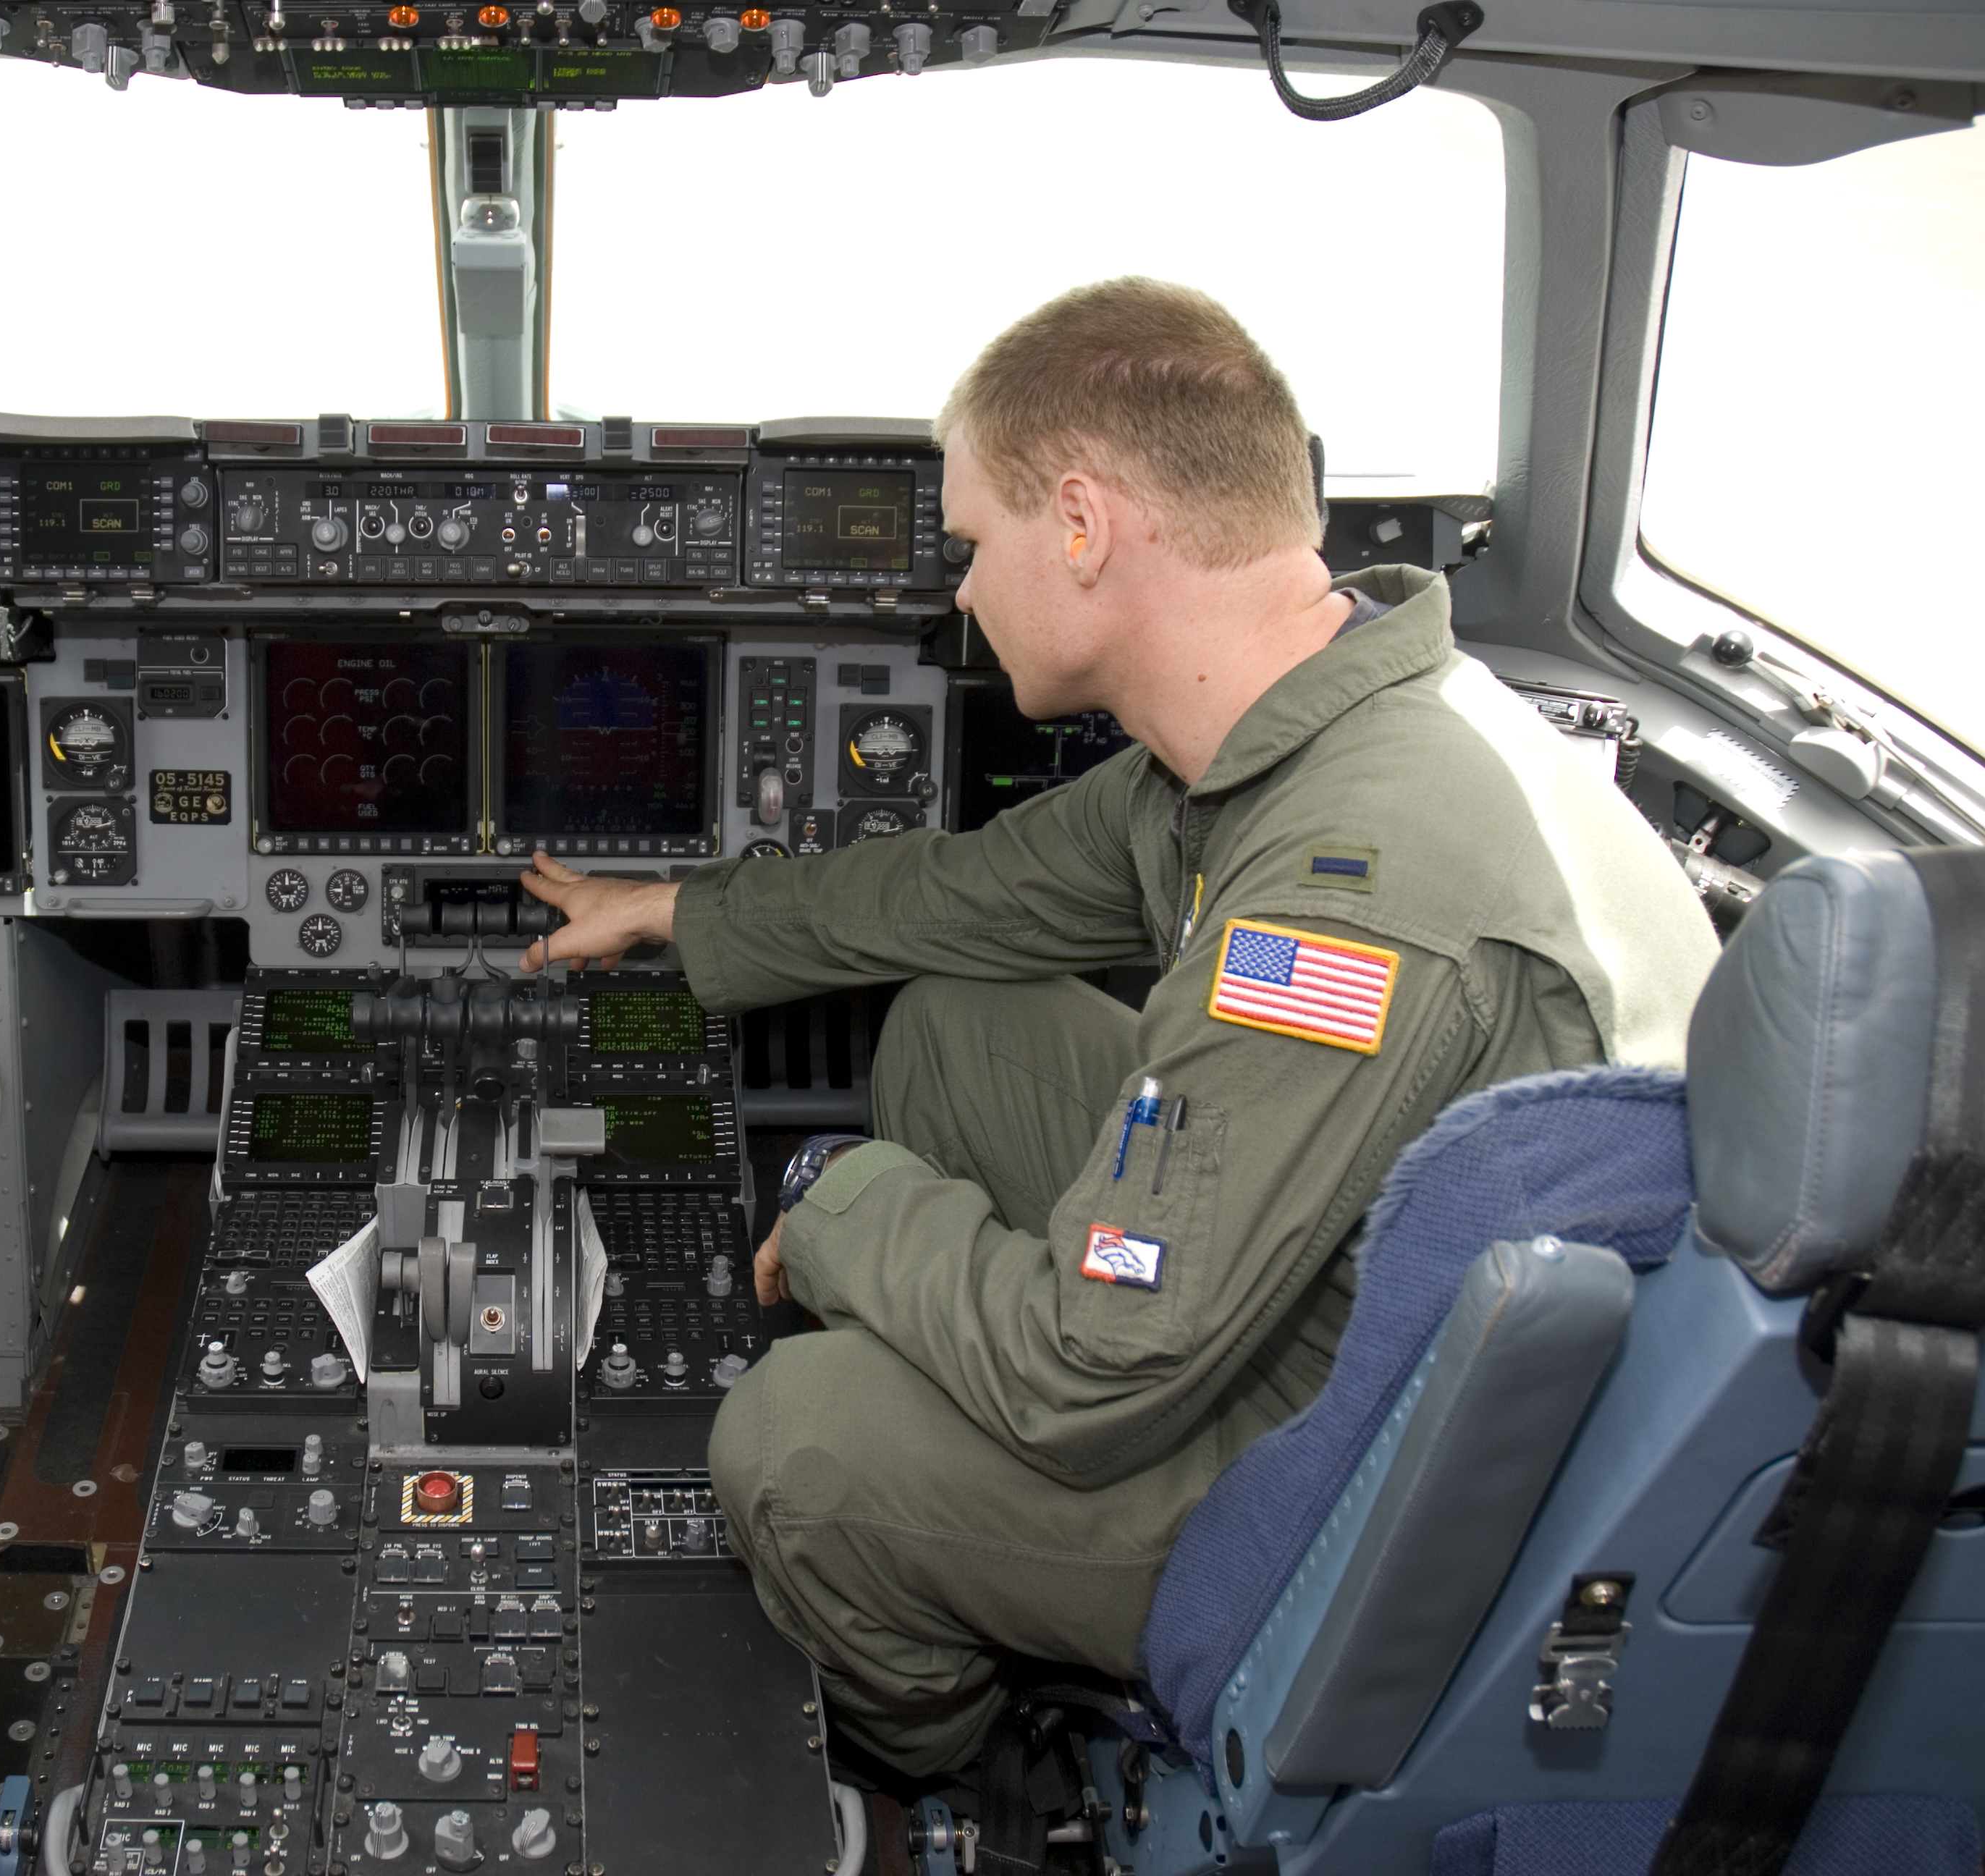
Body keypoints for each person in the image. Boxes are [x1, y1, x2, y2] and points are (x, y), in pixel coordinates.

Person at [516, 277, 1719, 1782]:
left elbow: (1089, 1377)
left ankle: (958, 1766)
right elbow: (962, 895)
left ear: (1080, 526)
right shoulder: (1304, 725)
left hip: (1382, 1450)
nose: (962, 594)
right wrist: (674, 912)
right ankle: (951, 1443)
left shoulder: (1345, 903)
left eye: (973, 544)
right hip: (1376, 1282)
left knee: (794, 1440)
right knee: (958, 1024)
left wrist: (841, 1207)